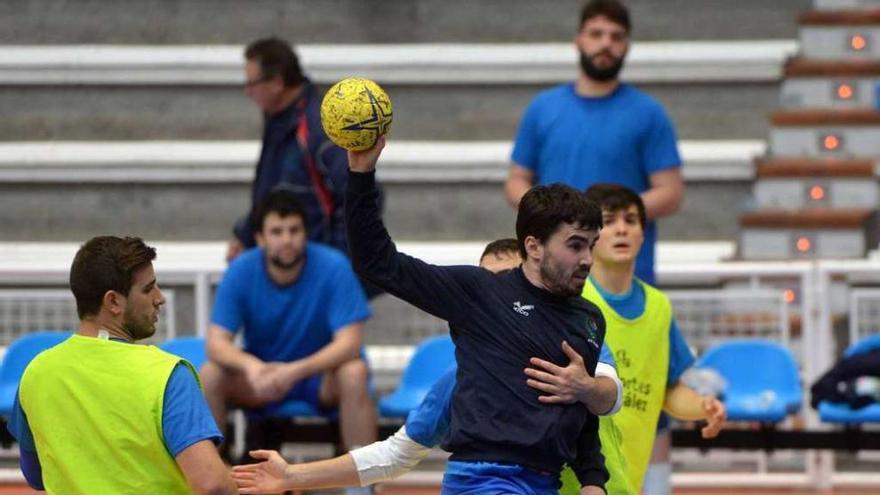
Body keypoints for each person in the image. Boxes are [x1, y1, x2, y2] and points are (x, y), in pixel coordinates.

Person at [231, 239, 624, 494]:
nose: (489, 298)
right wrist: (294, 476)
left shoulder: (576, 344)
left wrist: (586, 392)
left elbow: (610, 392)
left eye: (503, 282)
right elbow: (395, 454)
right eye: (482, 285)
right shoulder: (460, 384)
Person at [345, 137, 619, 494]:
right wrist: (361, 174)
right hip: (484, 480)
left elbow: (580, 414)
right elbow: (376, 262)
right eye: (575, 245)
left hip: (544, 483)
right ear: (534, 247)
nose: (587, 259)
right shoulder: (480, 292)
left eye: (591, 245)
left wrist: (593, 480)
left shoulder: (589, 319)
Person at [8, 236, 235, 494]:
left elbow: (36, 475)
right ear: (113, 302)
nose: (160, 298)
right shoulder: (169, 375)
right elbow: (214, 486)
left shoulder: (36, 372)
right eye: (148, 289)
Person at [504, 0, 684, 287]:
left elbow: (670, 192)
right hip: (554, 272)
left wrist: (604, 218)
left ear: (627, 46)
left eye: (616, 36)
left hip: (624, 276)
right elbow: (516, 181)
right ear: (579, 40)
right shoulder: (543, 109)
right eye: (596, 34)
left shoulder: (648, 113)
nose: (606, 44)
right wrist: (555, 218)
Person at [566, 184, 725, 494]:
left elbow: (666, 390)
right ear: (589, 235)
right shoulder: (571, 298)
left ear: (643, 232)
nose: (622, 230)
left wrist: (702, 405)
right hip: (574, 481)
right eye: (609, 221)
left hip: (628, 479)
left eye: (631, 220)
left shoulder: (658, 307)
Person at [201, 189, 376, 460]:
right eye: (277, 231)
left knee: (354, 372)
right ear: (260, 238)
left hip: (318, 377)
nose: (287, 240)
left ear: (306, 234)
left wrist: (293, 372)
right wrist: (254, 367)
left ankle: (362, 484)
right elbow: (216, 343)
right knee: (211, 374)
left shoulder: (334, 266)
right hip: (262, 375)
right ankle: (209, 476)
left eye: (294, 230)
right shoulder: (241, 270)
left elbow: (350, 343)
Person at [227, 36, 350, 263]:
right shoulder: (280, 120)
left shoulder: (320, 127)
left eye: (252, 84)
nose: (248, 92)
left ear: (276, 83)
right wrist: (247, 235)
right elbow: (271, 191)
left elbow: (357, 196)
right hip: (290, 262)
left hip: (314, 268)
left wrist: (335, 264)